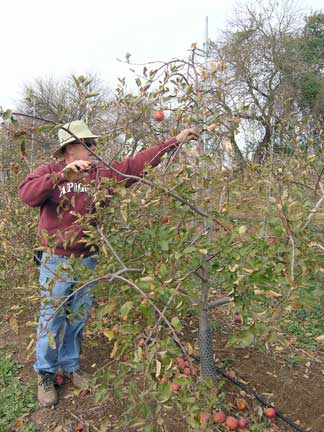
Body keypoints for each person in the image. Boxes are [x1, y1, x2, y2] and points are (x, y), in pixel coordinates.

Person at [18, 119, 198, 407]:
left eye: (94, 143)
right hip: (56, 260)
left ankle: (71, 364)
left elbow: (137, 164)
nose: (94, 148)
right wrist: (61, 176)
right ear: (70, 148)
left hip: (88, 258)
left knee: (78, 316)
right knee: (51, 319)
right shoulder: (50, 172)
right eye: (88, 144)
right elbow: (26, 195)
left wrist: (173, 141)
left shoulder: (101, 174)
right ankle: (45, 373)